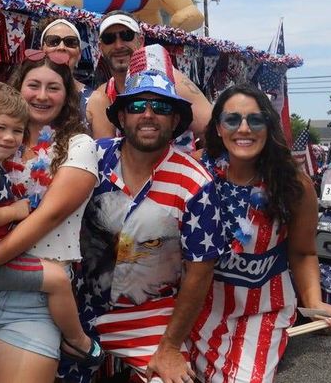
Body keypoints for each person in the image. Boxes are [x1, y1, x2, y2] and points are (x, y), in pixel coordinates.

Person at [0, 50, 99, 383]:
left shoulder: (79, 145)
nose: (42, 95)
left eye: (53, 87)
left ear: (67, 95)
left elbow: (48, 216)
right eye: (33, 85)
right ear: (18, 88)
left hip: (34, 296)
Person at [69, 45, 224, 383]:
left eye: (161, 106)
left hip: (151, 314)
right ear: (122, 116)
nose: (149, 114)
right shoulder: (92, 157)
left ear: (175, 119)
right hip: (76, 307)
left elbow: (200, 273)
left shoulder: (196, 183)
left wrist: (168, 347)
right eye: (138, 105)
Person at [191, 84, 331, 383]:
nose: (244, 129)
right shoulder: (195, 171)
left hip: (260, 314)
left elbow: (303, 251)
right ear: (218, 127)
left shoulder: (294, 184)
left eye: (255, 120)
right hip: (195, 313)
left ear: (268, 126)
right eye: (232, 120)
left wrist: (314, 302)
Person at [86, 11, 211, 148]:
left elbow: (213, 129)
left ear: (140, 41)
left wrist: (194, 161)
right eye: (109, 39)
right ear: (100, 48)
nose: (118, 45)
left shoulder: (169, 80)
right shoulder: (103, 94)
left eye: (126, 36)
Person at [37, 17, 90, 122]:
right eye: (53, 41)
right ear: (42, 50)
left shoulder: (95, 101)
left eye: (70, 42)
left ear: (79, 53)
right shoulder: (25, 93)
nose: (61, 47)